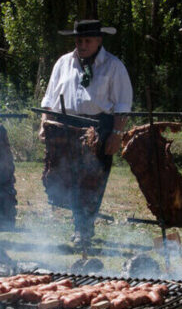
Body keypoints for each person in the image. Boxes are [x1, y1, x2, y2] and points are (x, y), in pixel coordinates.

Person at [40, 19, 132, 246]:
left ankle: (84, 229)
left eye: (87, 40)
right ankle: (78, 223)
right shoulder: (63, 62)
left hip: (98, 126)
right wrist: (45, 122)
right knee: (66, 178)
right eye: (79, 40)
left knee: (92, 180)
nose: (82, 44)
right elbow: (49, 98)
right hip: (65, 124)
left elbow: (122, 104)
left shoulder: (113, 66)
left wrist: (117, 134)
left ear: (99, 40)